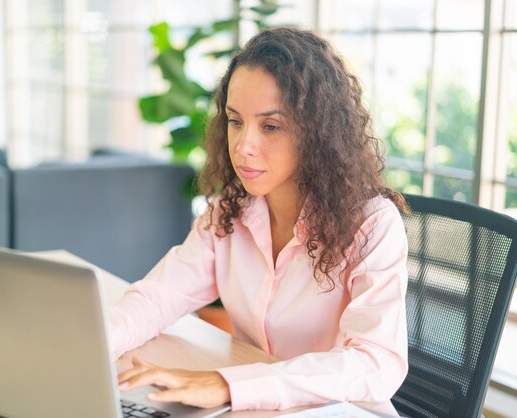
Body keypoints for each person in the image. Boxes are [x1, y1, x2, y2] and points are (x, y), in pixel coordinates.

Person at [108, 27, 409, 411]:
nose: (243, 146)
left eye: (270, 126)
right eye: (235, 121)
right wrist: (96, 341)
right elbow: (156, 298)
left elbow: (377, 363)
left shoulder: (371, 225)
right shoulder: (229, 213)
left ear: (316, 132)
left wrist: (228, 384)